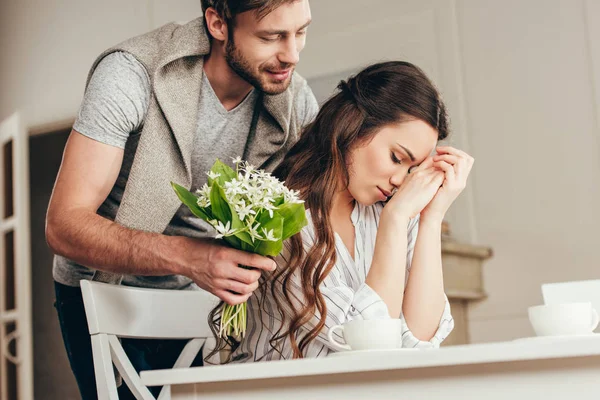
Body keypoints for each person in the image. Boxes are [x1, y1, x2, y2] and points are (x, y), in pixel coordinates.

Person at [45, 0, 317, 398]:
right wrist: (193, 258)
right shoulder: (131, 75)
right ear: (218, 24)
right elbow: (63, 225)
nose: (291, 55)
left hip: (202, 297)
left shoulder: (293, 101)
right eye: (271, 36)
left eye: (301, 31)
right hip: (102, 286)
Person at [218, 61, 474, 362]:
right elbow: (369, 344)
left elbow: (421, 341)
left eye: (412, 169)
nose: (399, 180)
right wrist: (395, 219)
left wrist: (432, 217)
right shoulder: (280, 216)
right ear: (354, 127)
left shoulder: (389, 215)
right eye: (396, 158)